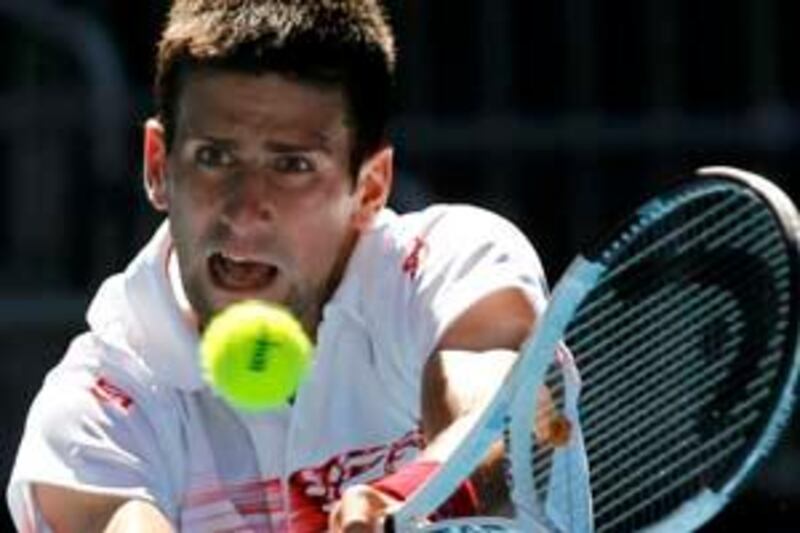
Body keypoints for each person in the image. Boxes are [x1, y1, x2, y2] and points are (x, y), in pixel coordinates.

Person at [7, 1, 589, 531]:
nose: (244, 210)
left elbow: (494, 411)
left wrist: (400, 500)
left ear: (370, 187)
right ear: (158, 165)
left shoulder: (449, 264)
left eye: (292, 165)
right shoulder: (97, 407)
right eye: (214, 157)